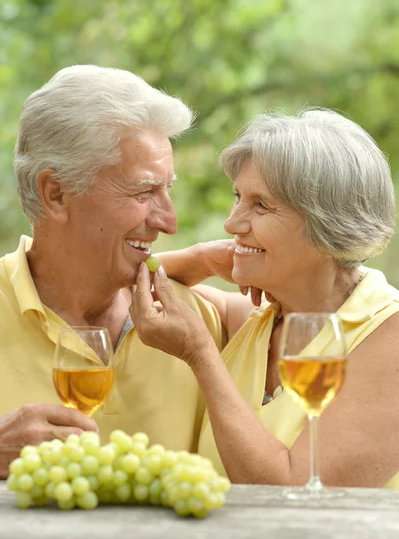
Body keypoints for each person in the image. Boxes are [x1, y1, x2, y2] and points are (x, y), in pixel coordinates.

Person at [131, 108, 399, 489]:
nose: (232, 223)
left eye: (260, 205)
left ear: (328, 225)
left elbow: (291, 491)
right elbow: (125, 282)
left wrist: (200, 354)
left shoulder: (389, 337)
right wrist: (200, 258)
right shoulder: (255, 321)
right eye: (238, 196)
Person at [0, 65, 228, 478]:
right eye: (143, 191)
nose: (169, 222)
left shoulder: (196, 323)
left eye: (167, 189)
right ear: (56, 194)